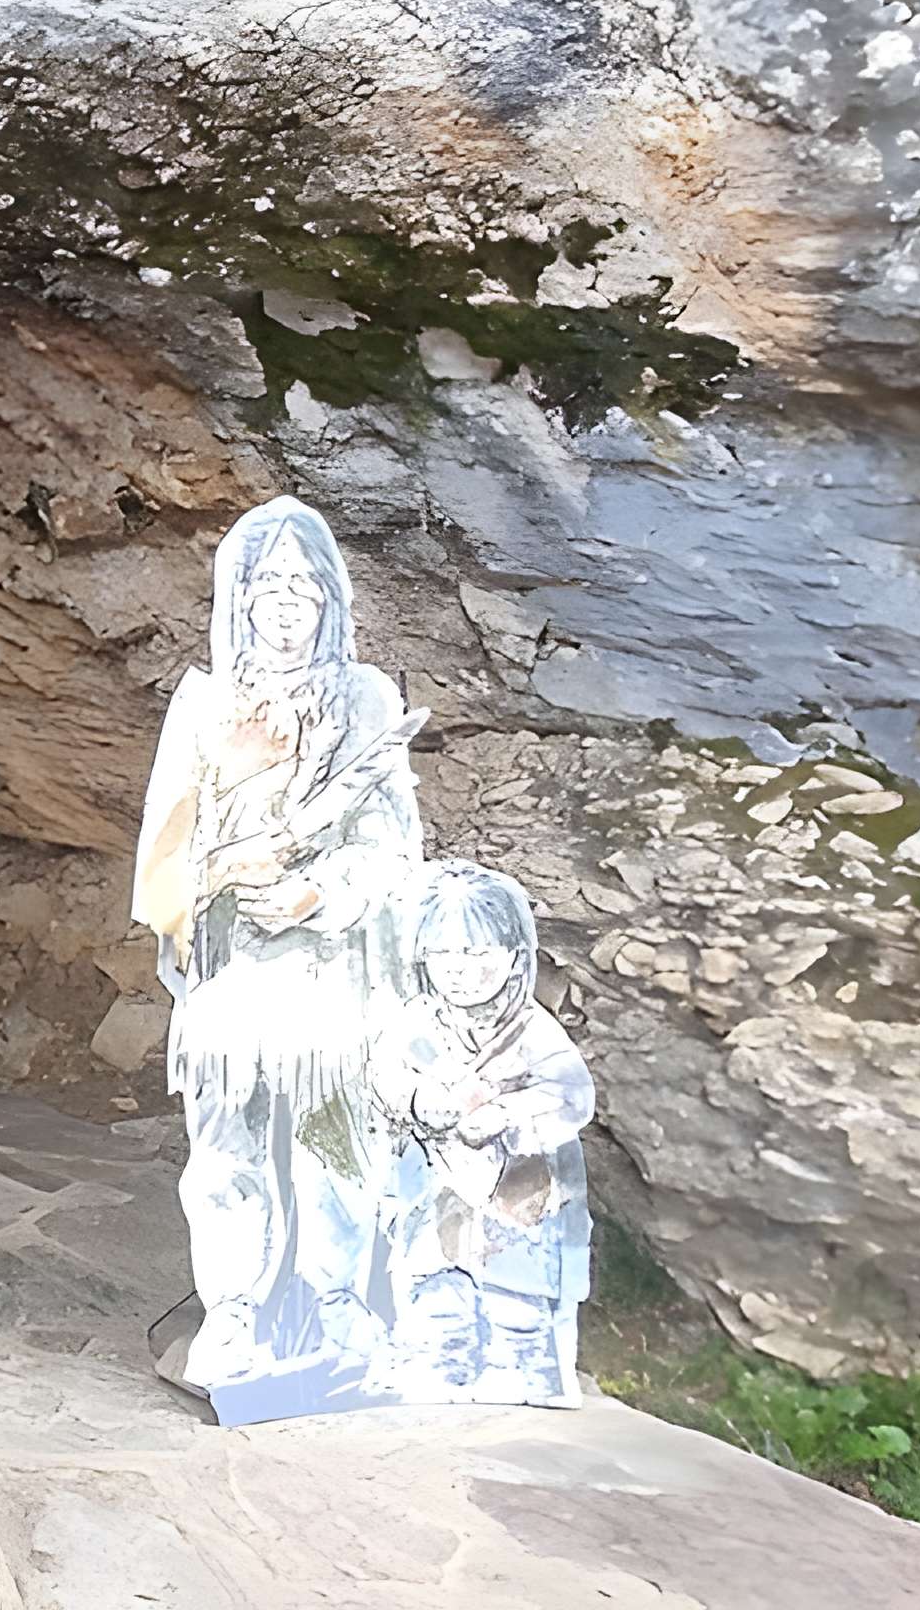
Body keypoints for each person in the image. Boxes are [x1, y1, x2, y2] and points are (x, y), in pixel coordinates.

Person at [130, 497, 426, 1402]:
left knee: (334, 1142)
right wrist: (222, 870)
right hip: (235, 965)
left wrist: (321, 892)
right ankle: (233, 1308)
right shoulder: (204, 704)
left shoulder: (367, 698)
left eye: (305, 583)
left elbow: (392, 841)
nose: (288, 600)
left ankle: (336, 1299)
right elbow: (167, 847)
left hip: (332, 970)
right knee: (228, 1145)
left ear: (331, 597)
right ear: (241, 597)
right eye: (268, 583)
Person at [372, 863, 592, 1405]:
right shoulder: (416, 1023)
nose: (459, 970)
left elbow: (571, 1093)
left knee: (517, 1286)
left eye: (477, 953)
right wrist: (424, 1102)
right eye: (443, 953)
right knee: (434, 1279)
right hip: (438, 1182)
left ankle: (523, 1370)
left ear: (516, 955)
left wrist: (507, 1112)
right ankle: (440, 1363)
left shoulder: (533, 1031)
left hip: (519, 1188)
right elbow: (386, 1077)